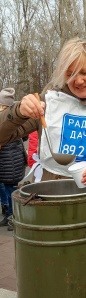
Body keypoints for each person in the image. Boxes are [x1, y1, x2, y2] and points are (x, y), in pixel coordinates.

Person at [0, 38, 86, 298]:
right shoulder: (49, 103)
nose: (78, 80)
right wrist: (18, 111)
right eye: (70, 73)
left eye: (85, 72)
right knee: (51, 279)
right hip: (50, 212)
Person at [0, 88, 27, 231]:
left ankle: (13, 216)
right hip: (8, 161)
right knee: (8, 188)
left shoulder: (9, 120)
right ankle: (9, 214)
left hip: (10, 162)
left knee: (11, 189)